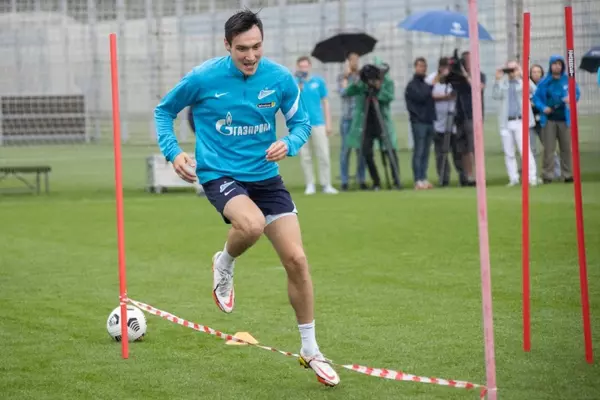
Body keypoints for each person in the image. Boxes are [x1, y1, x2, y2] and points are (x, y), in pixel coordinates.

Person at [153, 10, 340, 387]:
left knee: (297, 260)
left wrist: (289, 142)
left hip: (266, 178)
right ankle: (224, 263)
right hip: (219, 173)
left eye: (256, 47)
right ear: (227, 45)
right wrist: (174, 153)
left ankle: (310, 349)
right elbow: (164, 111)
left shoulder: (280, 78)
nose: (250, 56)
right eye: (242, 49)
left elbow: (301, 122)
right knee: (251, 225)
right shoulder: (203, 77)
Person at [341, 57, 400, 190]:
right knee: (366, 151)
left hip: (382, 120)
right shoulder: (363, 82)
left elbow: (389, 96)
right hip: (366, 122)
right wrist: (357, 82)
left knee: (389, 150)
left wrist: (378, 89)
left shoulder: (387, 81)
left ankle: (396, 180)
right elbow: (348, 92)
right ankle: (376, 181)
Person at [533, 55, 581, 184]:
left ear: (562, 66)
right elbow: (536, 98)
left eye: (559, 64)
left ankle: (567, 174)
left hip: (564, 119)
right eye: (555, 64)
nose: (557, 66)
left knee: (566, 148)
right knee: (549, 148)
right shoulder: (544, 82)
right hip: (549, 120)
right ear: (550, 66)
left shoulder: (568, 80)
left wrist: (571, 98)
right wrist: (543, 108)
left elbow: (576, 93)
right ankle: (547, 175)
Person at [295, 56, 338, 195]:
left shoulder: (318, 81)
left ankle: (326, 184)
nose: (304, 69)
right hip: (301, 125)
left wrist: (328, 123)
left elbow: (325, 102)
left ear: (309, 66)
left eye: (305, 66)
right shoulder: (294, 83)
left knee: (323, 154)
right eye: (301, 66)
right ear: (298, 67)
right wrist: (298, 88)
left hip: (318, 122)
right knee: (305, 156)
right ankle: (310, 184)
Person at [492, 60, 538, 186]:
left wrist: (523, 75)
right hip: (506, 122)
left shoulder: (523, 83)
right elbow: (495, 95)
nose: (512, 72)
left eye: (514, 69)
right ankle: (513, 178)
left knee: (525, 150)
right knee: (509, 152)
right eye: (509, 69)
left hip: (520, 121)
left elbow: (534, 90)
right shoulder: (503, 84)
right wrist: (497, 79)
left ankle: (532, 177)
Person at [426, 57, 465, 187]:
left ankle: (463, 177)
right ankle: (444, 178)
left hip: (453, 121)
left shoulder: (454, 78)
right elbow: (429, 94)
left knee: (457, 152)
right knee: (441, 154)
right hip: (438, 123)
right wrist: (445, 97)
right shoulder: (432, 78)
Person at [452, 51, 486, 186]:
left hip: (473, 116)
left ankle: (479, 176)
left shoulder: (480, 75)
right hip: (459, 115)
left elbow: (477, 88)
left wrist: (466, 75)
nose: (467, 62)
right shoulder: (458, 76)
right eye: (465, 59)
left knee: (474, 147)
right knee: (463, 149)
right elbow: (445, 82)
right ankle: (468, 176)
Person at [337, 52, 367, 191]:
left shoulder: (361, 77)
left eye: (356, 60)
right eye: (352, 60)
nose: (355, 63)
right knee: (345, 150)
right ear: (347, 62)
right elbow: (343, 92)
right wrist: (346, 77)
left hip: (359, 118)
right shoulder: (342, 77)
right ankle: (344, 181)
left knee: (361, 150)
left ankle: (361, 179)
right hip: (347, 118)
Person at [405, 57, 435, 190]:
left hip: (428, 120)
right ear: (415, 67)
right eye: (420, 66)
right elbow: (422, 96)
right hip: (418, 122)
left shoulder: (425, 84)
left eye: (424, 66)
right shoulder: (412, 85)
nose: (423, 68)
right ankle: (417, 179)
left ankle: (423, 177)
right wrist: (431, 86)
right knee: (419, 150)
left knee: (426, 152)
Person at [530, 64, 560, 177]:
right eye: (533, 72)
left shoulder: (546, 86)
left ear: (542, 73)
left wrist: (537, 104)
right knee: (531, 149)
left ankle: (557, 172)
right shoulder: (526, 85)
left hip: (543, 120)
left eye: (538, 72)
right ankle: (532, 175)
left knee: (549, 147)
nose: (536, 74)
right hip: (530, 121)